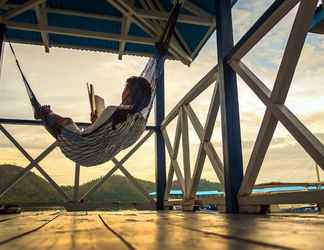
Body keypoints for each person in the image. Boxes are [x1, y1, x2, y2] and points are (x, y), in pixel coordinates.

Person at [35, 76, 152, 139]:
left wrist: (96, 123)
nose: (123, 91)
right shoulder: (140, 124)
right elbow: (110, 136)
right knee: (63, 131)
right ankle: (45, 117)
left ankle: (45, 112)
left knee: (66, 122)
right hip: (102, 155)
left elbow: (85, 135)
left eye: (125, 88)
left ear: (129, 93)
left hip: (82, 149)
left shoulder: (113, 111)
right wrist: (97, 122)